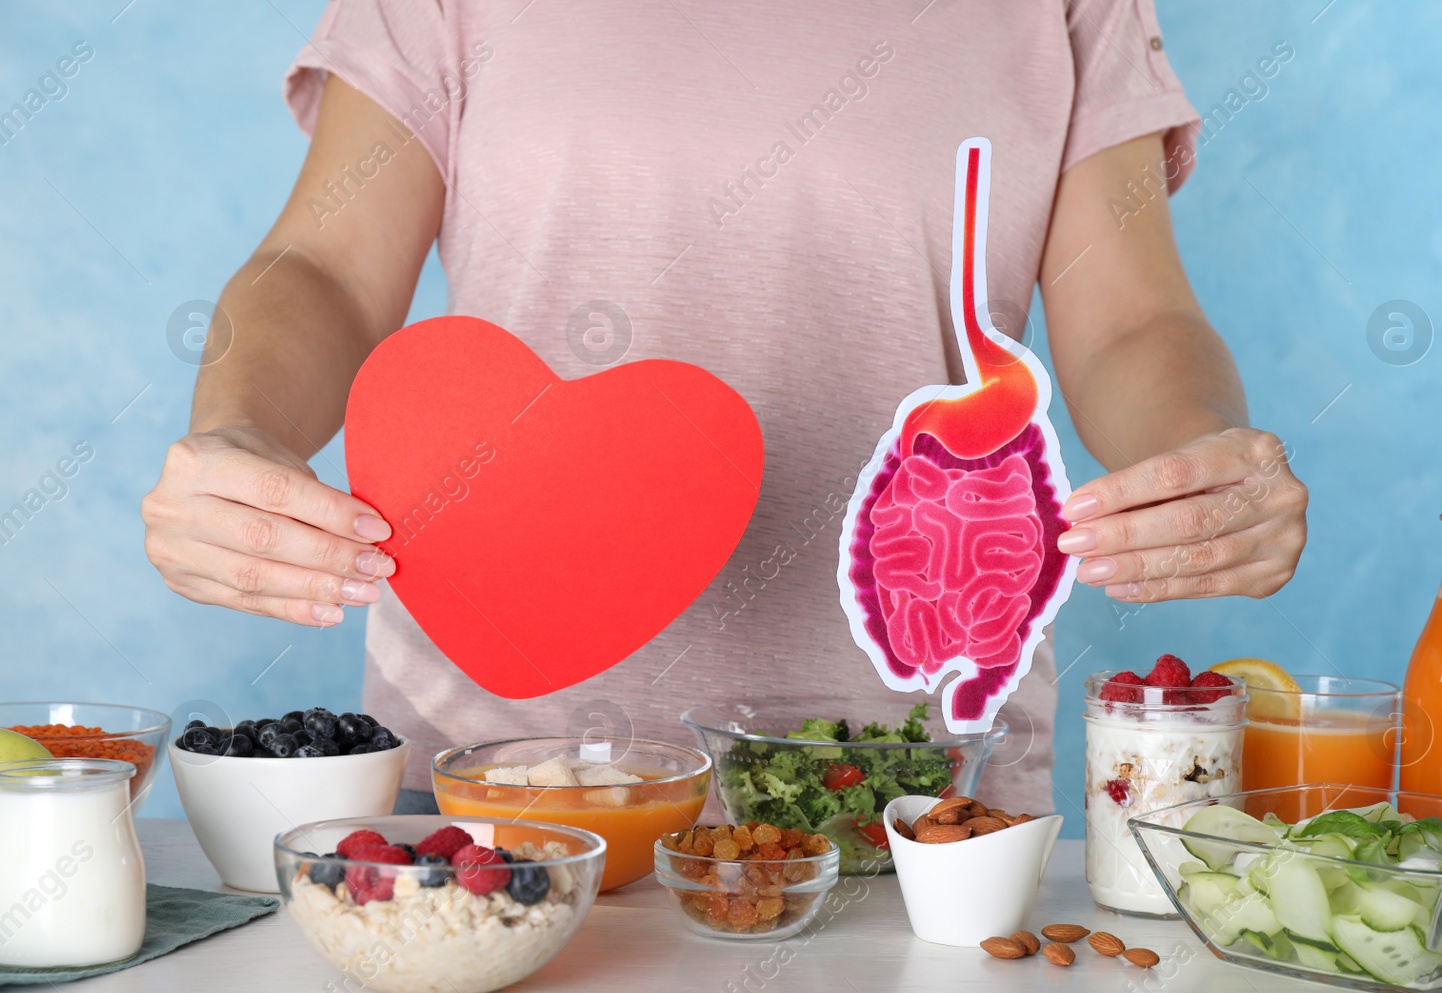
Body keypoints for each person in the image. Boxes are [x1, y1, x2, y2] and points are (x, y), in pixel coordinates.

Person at [141, 1, 1307, 817]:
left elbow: (1131, 320)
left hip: (913, 790)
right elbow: (327, 269)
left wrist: (1201, 460)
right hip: (505, 778)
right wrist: (239, 428)